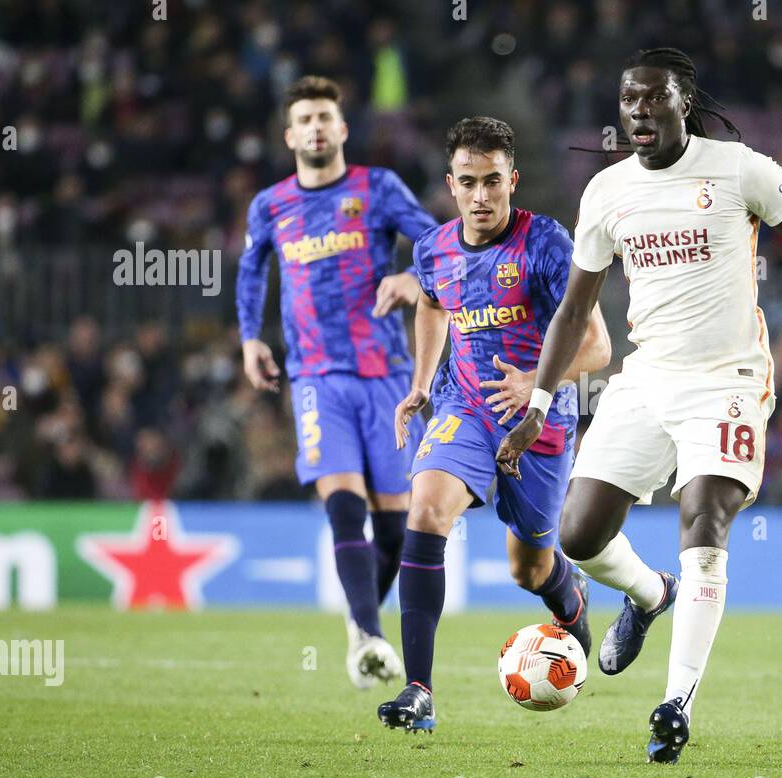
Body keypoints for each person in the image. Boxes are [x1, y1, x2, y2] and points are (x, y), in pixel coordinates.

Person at [497, 48, 782, 763]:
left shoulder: (740, 167)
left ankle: (675, 703)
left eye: (654, 98)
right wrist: (540, 398)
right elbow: (573, 310)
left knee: (704, 517)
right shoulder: (607, 192)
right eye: (629, 100)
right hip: (647, 376)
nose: (640, 111)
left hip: (729, 380)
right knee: (580, 534)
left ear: (684, 101)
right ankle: (652, 593)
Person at [377, 116, 611, 732]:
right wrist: (422, 384)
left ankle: (570, 595)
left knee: (528, 569)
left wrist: (537, 383)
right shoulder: (434, 249)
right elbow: (431, 303)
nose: (481, 197)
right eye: (468, 183)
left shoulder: (548, 245)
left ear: (513, 180)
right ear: (450, 184)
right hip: (465, 407)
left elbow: (598, 348)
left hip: (539, 421)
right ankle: (419, 691)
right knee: (425, 510)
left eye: (492, 182)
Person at [236, 75, 437, 690]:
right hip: (318, 377)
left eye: (326, 115)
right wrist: (250, 337)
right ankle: (372, 637)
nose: (317, 127)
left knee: (398, 528)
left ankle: (359, 629)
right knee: (344, 508)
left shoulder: (376, 188)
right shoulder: (270, 205)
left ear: (342, 129)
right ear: (290, 134)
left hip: (388, 377)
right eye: (306, 119)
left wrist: (411, 277)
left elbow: (438, 240)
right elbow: (251, 269)